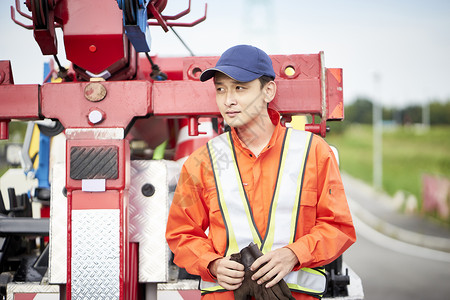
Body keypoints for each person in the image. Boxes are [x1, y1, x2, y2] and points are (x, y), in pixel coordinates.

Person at [165, 44, 356, 300]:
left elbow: (338, 227)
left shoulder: (314, 152)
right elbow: (181, 234)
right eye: (220, 89)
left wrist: (295, 254)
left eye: (239, 88)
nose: (228, 99)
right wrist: (211, 264)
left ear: (268, 91)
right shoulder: (202, 162)